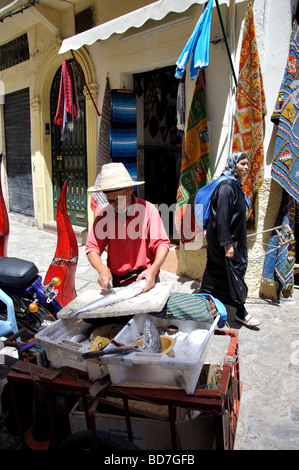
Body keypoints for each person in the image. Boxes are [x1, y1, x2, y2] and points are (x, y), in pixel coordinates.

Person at [86, 162, 170, 293]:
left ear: (131, 189)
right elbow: (92, 247)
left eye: (119, 199)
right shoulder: (104, 216)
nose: (115, 204)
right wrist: (102, 269)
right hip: (117, 282)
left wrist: (153, 270)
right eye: (110, 200)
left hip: (145, 278)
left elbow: (162, 244)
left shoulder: (148, 210)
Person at [199, 152, 260, 327]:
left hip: (230, 241)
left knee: (215, 274)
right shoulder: (226, 187)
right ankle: (240, 311)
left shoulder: (235, 185)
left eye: (247, 164)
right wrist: (227, 244)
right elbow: (222, 218)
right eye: (242, 164)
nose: (246, 168)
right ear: (233, 165)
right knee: (234, 274)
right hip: (225, 243)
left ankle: (204, 304)